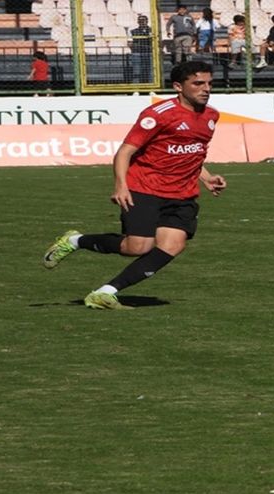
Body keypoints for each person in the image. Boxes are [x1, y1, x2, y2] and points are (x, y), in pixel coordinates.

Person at [42, 61, 227, 310]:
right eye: (198, 83)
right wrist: (121, 186)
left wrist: (206, 177)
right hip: (145, 188)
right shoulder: (158, 115)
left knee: (173, 245)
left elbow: (193, 152)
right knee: (137, 247)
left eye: (209, 83)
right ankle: (76, 241)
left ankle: (105, 293)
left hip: (183, 194)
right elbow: (125, 152)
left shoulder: (211, 116)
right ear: (178, 86)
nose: (206, 89)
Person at [129, 14, 153, 83]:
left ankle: (151, 86)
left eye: (143, 20)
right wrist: (135, 49)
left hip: (149, 53)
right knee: (136, 71)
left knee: (151, 71)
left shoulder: (152, 31)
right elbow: (130, 43)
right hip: (137, 53)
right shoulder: (133, 31)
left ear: (147, 21)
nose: (142, 22)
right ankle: (136, 87)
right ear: (138, 22)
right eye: (140, 20)